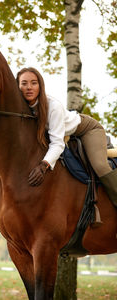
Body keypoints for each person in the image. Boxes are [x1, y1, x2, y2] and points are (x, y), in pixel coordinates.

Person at [16, 67, 117, 207]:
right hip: (65, 133)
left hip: (86, 129)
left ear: (40, 85)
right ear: (18, 86)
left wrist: (43, 165)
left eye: (34, 83)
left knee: (100, 166)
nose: (29, 87)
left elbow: (57, 143)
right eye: (24, 83)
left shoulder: (53, 106)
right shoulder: (20, 108)